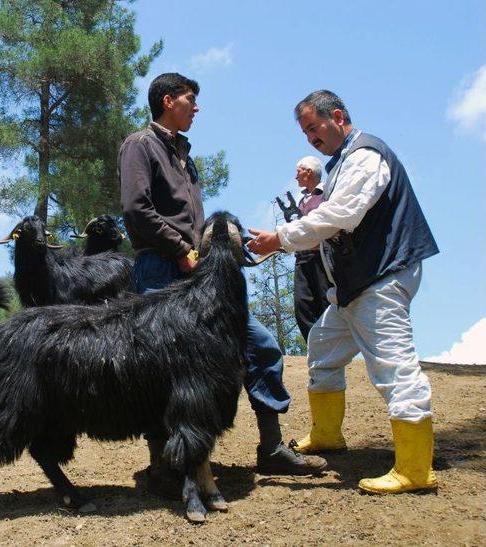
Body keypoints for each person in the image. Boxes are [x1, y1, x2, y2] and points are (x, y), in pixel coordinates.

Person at [118, 73, 326, 491]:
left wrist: (226, 248)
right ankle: (163, 464)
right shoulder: (140, 145)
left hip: (199, 273)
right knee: (161, 366)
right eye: (190, 100)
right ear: (167, 100)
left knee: (261, 344)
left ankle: (270, 449)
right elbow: (135, 208)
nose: (197, 108)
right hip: (160, 270)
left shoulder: (185, 156)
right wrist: (180, 249)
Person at [247, 90, 439, 494]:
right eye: (305, 133)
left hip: (380, 279)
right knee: (322, 348)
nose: (310, 139)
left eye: (313, 128)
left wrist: (281, 238)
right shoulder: (342, 164)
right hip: (353, 287)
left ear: (337, 116)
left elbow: (342, 215)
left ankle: (415, 469)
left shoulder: (366, 156)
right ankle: (328, 435)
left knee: (394, 366)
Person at [292, 156, 331, 342]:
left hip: (321, 258)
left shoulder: (327, 194)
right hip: (302, 258)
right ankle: (315, 347)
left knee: (325, 303)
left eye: (298, 171)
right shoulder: (301, 201)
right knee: (302, 305)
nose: (295, 177)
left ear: (308, 172)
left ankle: (332, 349)